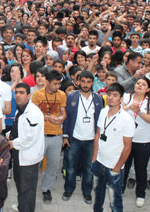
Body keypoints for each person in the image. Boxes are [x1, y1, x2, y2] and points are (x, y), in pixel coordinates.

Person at [92, 83, 135, 212]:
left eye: (115, 95)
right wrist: (94, 158)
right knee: (98, 195)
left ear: (121, 99)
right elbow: (98, 134)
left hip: (114, 166)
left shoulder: (127, 119)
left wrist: (117, 168)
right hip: (99, 162)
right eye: (109, 94)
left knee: (115, 201)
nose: (111, 97)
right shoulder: (103, 111)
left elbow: (127, 148)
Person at [62, 71, 104, 204]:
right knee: (70, 167)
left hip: (91, 140)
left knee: (89, 168)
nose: (85, 85)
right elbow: (67, 118)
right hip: (74, 138)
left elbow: (100, 121)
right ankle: (69, 189)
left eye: (88, 82)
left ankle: (87, 192)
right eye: (83, 81)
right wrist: (65, 136)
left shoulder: (98, 99)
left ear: (92, 83)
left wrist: (98, 139)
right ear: (78, 81)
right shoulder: (72, 97)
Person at [121, 77, 150, 207]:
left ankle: (141, 194)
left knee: (141, 168)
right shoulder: (126, 96)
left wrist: (139, 112)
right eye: (138, 83)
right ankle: (120, 189)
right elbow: (118, 112)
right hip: (126, 139)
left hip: (143, 140)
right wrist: (129, 107)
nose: (140, 86)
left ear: (147, 89)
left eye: (143, 84)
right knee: (123, 167)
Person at [31, 70, 66, 204]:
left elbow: (64, 113)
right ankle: (29, 188)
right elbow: (33, 114)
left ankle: (46, 188)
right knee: (34, 163)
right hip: (40, 135)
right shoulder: (37, 94)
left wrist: (61, 119)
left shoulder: (62, 95)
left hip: (56, 135)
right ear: (47, 82)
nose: (58, 86)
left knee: (53, 165)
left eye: (59, 84)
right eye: (55, 84)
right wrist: (47, 117)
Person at [9, 83, 45, 212]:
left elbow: (30, 137)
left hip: (29, 157)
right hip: (19, 154)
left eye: (21, 92)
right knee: (20, 183)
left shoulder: (33, 113)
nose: (17, 95)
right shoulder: (20, 109)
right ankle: (21, 206)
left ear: (29, 95)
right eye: (16, 92)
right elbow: (19, 129)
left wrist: (13, 143)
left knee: (28, 188)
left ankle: (26, 209)